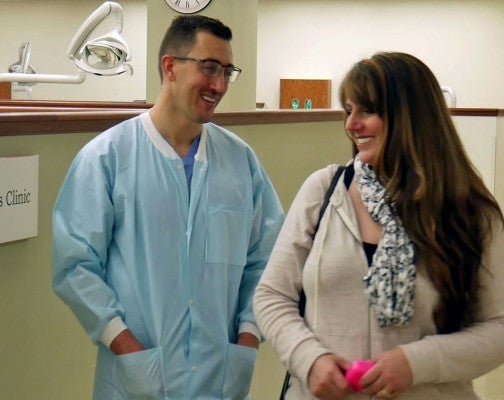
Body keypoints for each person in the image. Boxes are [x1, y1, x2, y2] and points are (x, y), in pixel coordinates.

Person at [52, 15, 284, 400]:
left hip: (221, 380)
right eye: (209, 68)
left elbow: (268, 260)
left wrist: (248, 337)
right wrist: (124, 344)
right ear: (170, 67)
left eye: (228, 71)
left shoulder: (240, 162)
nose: (220, 85)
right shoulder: (107, 159)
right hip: (136, 379)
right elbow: (74, 266)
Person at [253, 51, 504, 400]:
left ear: (412, 117)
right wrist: (309, 359)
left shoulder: (471, 212)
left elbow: (498, 326)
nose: (351, 124)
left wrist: (417, 363)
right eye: (348, 110)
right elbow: (272, 296)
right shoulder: (323, 190)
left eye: (367, 111)